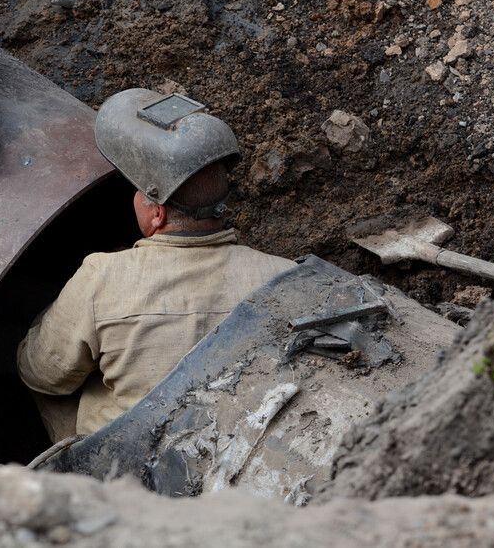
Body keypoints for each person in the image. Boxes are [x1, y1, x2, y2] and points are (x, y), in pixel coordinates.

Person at [17, 89, 296, 440]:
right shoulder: (285, 276)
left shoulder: (102, 278)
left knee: (51, 380)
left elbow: (42, 374)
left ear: (156, 212)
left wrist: (47, 316)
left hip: (134, 462)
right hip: (234, 440)